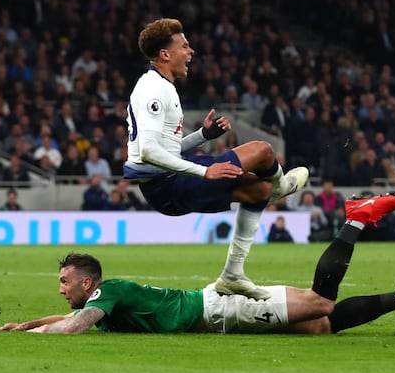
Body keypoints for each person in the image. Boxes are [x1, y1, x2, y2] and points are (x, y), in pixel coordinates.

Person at [0, 195, 395, 334]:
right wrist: (25, 324)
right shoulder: (103, 297)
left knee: (319, 303)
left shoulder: (106, 293)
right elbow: (72, 316)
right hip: (216, 307)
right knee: (320, 326)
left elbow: (75, 325)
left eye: (65, 281)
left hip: (221, 310)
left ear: (87, 281)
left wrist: (36, 335)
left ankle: (355, 219)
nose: (61, 288)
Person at [122, 18, 308, 300]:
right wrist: (203, 172)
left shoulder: (161, 85)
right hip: (168, 185)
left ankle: (232, 275)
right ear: (165, 54)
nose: (191, 51)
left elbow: (164, 150)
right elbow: (148, 152)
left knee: (259, 190)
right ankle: (283, 186)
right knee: (263, 151)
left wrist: (202, 136)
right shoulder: (153, 88)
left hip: (167, 184)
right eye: (184, 46)